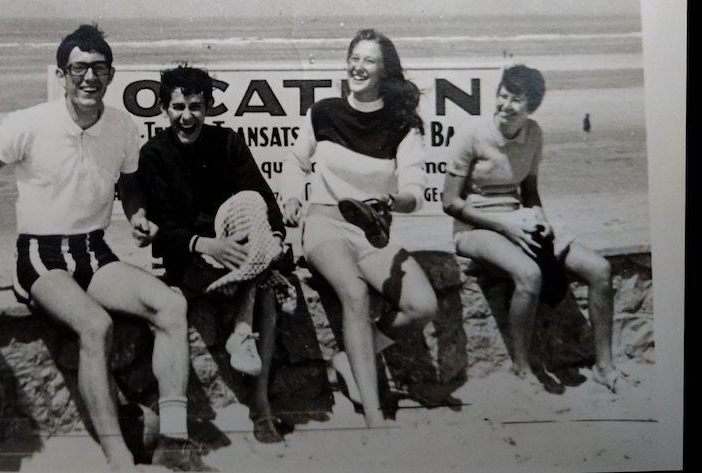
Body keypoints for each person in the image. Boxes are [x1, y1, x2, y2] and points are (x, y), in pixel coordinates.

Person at [0, 24, 207, 471]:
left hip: (93, 252)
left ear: (111, 74)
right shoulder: (29, 123)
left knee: (171, 306)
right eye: (79, 68)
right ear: (62, 75)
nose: (89, 77)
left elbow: (129, 184)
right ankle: (119, 458)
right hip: (39, 257)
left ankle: (175, 441)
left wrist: (138, 215)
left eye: (98, 68)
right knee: (96, 326)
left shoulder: (122, 126)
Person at [280, 29, 438, 428]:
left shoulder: (403, 126)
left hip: (371, 230)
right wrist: (292, 197)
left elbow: (414, 191)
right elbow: (295, 162)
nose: (358, 67)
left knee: (423, 305)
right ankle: (373, 414)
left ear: (385, 71)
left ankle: (350, 359)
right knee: (355, 294)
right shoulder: (324, 112)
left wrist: (394, 201)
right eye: (354, 58)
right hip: (323, 224)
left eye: (369, 60)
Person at [138, 65, 296, 444]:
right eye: (178, 107)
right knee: (262, 284)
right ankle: (241, 333)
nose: (187, 116)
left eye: (195, 106)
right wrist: (208, 245)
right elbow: (163, 231)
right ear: (164, 108)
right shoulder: (154, 154)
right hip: (191, 257)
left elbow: (262, 199)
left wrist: (272, 236)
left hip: (236, 251)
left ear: (208, 106)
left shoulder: (227, 143)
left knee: (251, 212)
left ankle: (260, 404)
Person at [442, 64, 622, 392]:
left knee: (600, 270)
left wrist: (540, 217)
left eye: (516, 100)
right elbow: (450, 202)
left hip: (519, 220)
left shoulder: (534, 133)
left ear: (532, 106)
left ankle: (604, 366)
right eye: (503, 95)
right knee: (529, 275)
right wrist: (505, 225)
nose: (506, 105)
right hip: (473, 227)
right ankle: (522, 367)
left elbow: (529, 191)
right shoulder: (472, 134)